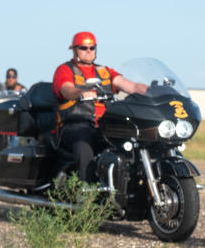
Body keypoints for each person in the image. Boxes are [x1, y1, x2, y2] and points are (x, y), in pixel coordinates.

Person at [52, 31, 148, 180]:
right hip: (76, 123)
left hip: (105, 124)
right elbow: (66, 89)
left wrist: (152, 91)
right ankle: (87, 190)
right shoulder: (65, 70)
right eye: (84, 48)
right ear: (74, 49)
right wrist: (80, 93)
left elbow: (132, 86)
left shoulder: (104, 72)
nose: (89, 51)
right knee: (84, 140)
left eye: (92, 47)